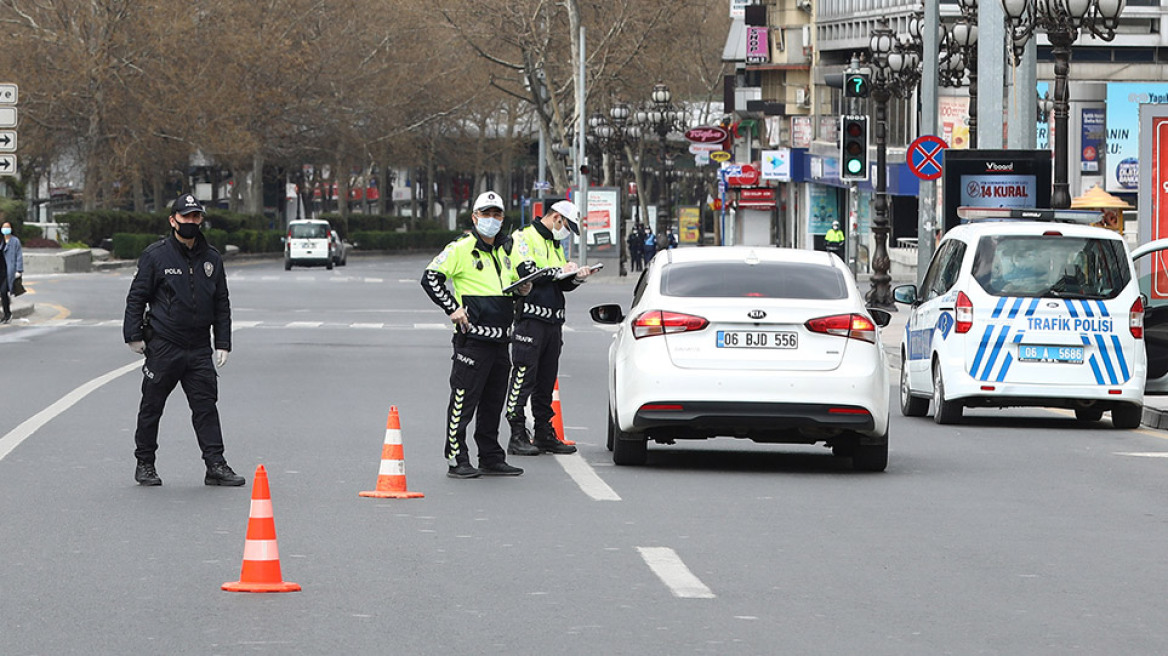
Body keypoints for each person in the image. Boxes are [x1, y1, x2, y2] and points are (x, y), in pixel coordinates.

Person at [122, 194, 244, 487]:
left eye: (196, 217)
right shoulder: (156, 256)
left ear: (201, 220)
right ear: (172, 220)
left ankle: (215, 465)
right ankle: (145, 464)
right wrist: (133, 336)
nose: (191, 222)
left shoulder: (212, 258)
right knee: (152, 406)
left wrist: (223, 342)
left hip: (199, 347)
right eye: (185, 217)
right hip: (165, 345)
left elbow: (221, 302)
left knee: (206, 407)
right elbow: (137, 296)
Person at [421, 191, 530, 479]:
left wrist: (522, 290)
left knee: (493, 402)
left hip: (501, 340)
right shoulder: (461, 247)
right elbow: (430, 277)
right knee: (463, 399)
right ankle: (457, 458)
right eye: (486, 214)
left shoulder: (506, 250)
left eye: (497, 215)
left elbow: (512, 285)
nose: (491, 220)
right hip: (473, 340)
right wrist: (452, 308)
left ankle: (491, 456)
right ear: (474, 217)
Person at [504, 200, 594, 456]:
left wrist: (575, 277)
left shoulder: (555, 245)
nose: (566, 232)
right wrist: (559, 270)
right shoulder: (523, 237)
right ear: (556, 218)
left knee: (546, 381)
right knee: (523, 377)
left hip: (553, 322)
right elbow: (528, 272)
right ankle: (517, 434)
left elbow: (558, 283)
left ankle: (544, 432)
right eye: (567, 225)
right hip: (530, 321)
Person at [1, 220, 23, 323]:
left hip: (9, 271)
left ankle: (7, 314)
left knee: (3, 291)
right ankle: (5, 314)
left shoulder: (15, 241)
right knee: (2, 294)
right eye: (3, 227)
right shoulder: (1, 240)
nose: (5, 229)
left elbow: (19, 256)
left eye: (7, 227)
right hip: (1, 271)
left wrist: (19, 270)